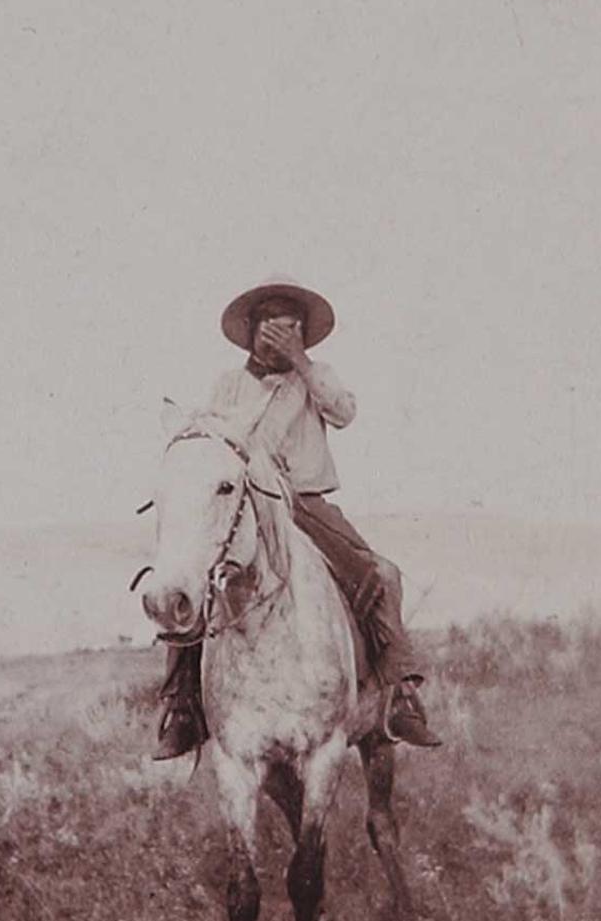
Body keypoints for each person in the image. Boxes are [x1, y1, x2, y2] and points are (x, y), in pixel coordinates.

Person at [153, 278, 440, 762]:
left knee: (380, 574)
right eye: (271, 325)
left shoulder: (315, 375)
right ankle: (183, 707)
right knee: (193, 583)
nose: (280, 334)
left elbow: (345, 412)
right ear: (252, 332)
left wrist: (304, 365)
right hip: (250, 505)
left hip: (309, 505)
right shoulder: (229, 384)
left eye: (292, 327)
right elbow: (218, 444)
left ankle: (399, 695)